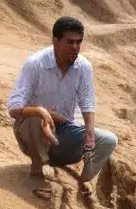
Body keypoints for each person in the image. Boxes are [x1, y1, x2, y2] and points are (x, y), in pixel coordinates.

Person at [7, 16, 118, 189]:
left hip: (63, 131)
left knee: (109, 140)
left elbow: (87, 101)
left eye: (78, 42)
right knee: (35, 117)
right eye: (70, 42)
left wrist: (89, 134)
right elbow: (13, 108)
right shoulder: (35, 64)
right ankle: (37, 169)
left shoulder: (84, 67)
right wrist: (43, 112)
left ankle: (83, 177)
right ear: (55, 41)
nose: (75, 47)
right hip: (31, 132)